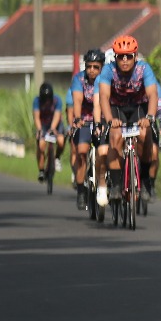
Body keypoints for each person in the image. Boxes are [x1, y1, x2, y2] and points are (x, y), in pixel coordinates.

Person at [97, 35, 161, 209]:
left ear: (135, 57)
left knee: (144, 136)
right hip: (116, 108)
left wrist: (150, 117)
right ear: (115, 57)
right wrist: (110, 119)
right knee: (115, 138)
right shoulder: (108, 70)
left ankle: (146, 179)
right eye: (120, 56)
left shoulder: (144, 69)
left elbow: (153, 95)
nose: (124, 60)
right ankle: (117, 185)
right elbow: (103, 96)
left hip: (138, 107)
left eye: (128, 56)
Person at [69, 48, 106, 207]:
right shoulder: (79, 79)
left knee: (104, 152)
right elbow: (77, 101)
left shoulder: (106, 79)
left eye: (95, 67)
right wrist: (77, 119)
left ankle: (104, 181)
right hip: (84, 121)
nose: (91, 70)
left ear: (102, 67)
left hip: (102, 121)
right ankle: (81, 190)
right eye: (89, 66)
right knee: (82, 152)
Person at [33, 81, 67, 182]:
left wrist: (53, 129)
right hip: (43, 124)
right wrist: (39, 130)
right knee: (41, 144)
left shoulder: (57, 100)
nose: (47, 101)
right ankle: (41, 170)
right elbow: (36, 117)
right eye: (45, 99)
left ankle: (57, 157)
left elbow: (57, 115)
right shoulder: (37, 101)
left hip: (56, 124)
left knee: (61, 141)